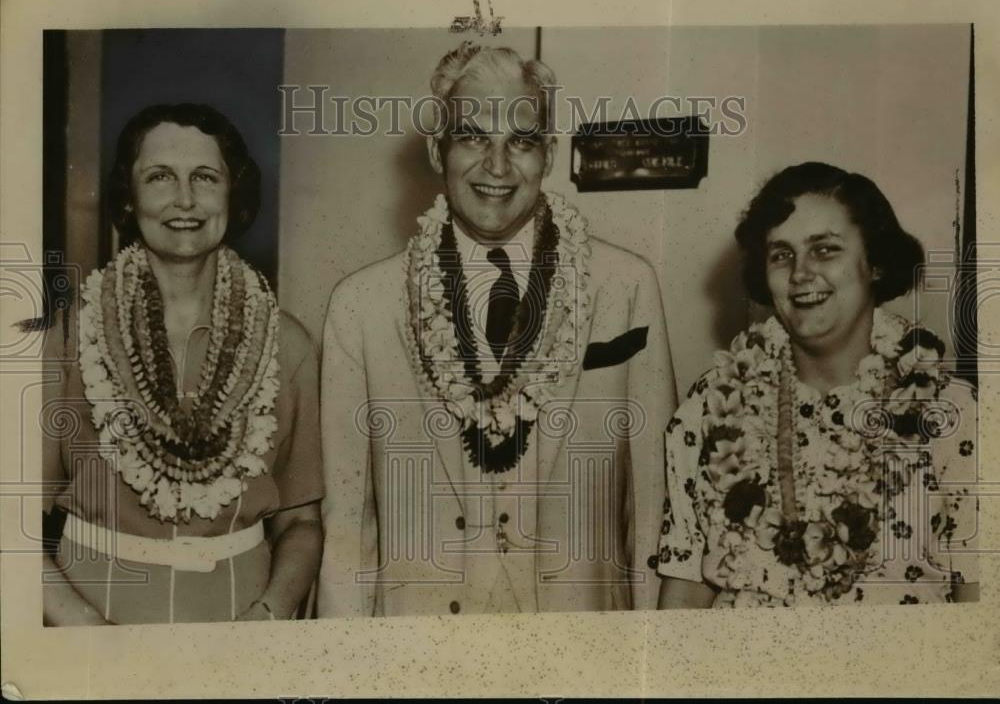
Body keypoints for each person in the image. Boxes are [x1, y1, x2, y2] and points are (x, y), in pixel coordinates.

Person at [318, 42, 677, 616]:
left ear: (550, 154)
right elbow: (346, 525)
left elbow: (656, 506)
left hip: (580, 643)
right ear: (437, 152)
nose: (499, 166)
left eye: (522, 141)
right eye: (473, 137)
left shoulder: (625, 286)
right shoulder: (362, 306)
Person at [42, 104, 324, 624]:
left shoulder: (287, 344)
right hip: (88, 616)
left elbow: (302, 520)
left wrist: (269, 615)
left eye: (205, 177)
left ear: (231, 194)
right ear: (129, 199)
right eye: (159, 177)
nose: (185, 200)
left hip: (240, 622)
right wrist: (83, 633)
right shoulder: (68, 337)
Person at [657, 162, 979, 608]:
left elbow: (979, 604)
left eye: (825, 250)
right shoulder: (711, 405)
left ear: (877, 264)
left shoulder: (955, 414)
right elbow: (686, 584)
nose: (801, 274)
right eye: (781, 254)